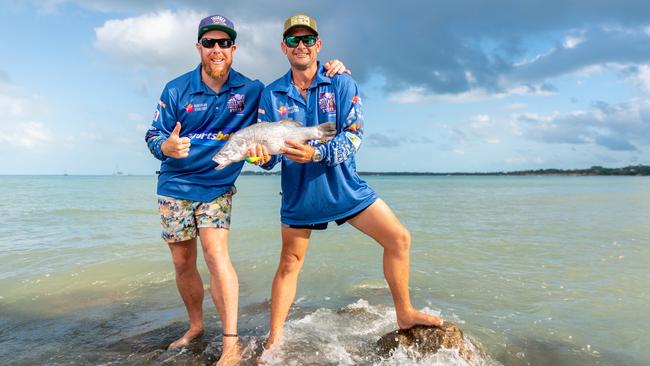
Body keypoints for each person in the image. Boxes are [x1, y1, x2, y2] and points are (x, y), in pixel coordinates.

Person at [144, 14, 348, 365]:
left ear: (234, 49)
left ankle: (230, 344)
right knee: (182, 262)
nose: (217, 49)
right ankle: (195, 327)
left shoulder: (252, 90)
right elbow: (153, 135)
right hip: (175, 184)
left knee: (215, 255)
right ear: (199, 47)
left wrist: (331, 67)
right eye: (209, 43)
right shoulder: (176, 89)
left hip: (217, 186)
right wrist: (166, 147)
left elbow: (283, 103)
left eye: (224, 43)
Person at [253, 13, 444, 351]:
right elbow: (269, 159)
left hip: (344, 186)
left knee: (398, 238)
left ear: (318, 45)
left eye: (308, 39)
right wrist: (258, 155)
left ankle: (404, 312)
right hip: (301, 194)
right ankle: (274, 340)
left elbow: (355, 137)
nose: (301, 45)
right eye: (294, 40)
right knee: (289, 264)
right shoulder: (271, 95)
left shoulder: (341, 82)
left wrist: (316, 154)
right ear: (283, 47)